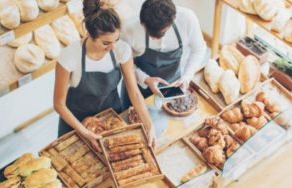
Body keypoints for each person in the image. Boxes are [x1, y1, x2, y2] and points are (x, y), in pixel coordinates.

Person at [54, 0, 156, 151]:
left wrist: (149, 125)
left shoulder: (121, 50)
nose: (113, 46)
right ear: (89, 35)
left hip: (111, 118)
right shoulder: (69, 57)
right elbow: (59, 104)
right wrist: (85, 132)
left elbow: (134, 92)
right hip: (76, 123)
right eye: (106, 43)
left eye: (116, 39)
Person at [121, 0, 207, 99]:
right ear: (142, 22)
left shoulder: (188, 19)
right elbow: (123, 65)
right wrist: (145, 78)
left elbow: (199, 50)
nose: (153, 38)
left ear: (173, 20)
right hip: (137, 86)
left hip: (172, 85)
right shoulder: (129, 28)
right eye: (149, 32)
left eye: (162, 32)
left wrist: (187, 76)